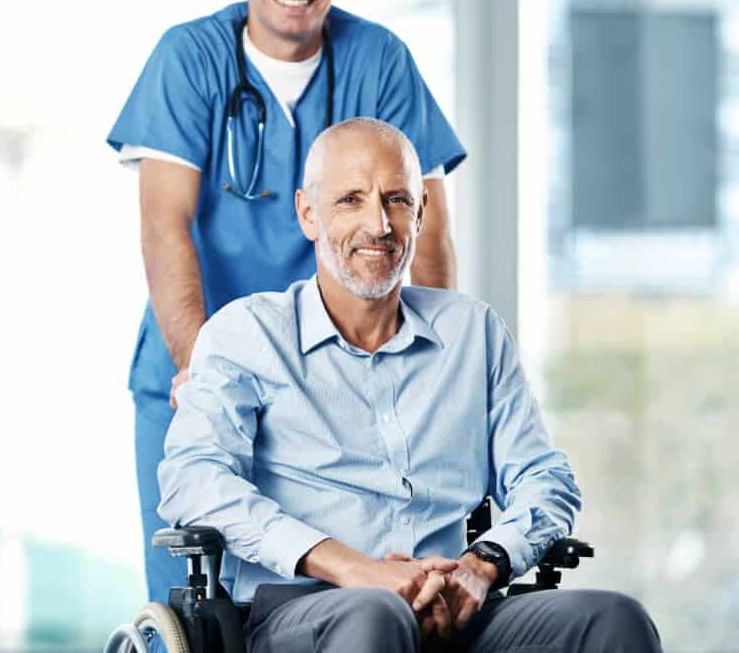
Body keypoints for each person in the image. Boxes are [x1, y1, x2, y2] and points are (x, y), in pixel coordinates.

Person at [158, 118, 663, 653]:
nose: (378, 224)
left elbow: (545, 477)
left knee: (613, 619)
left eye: (396, 199)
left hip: (455, 602)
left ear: (421, 211)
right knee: (376, 614)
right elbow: (194, 481)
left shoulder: (473, 332)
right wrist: (357, 571)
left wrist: (485, 563)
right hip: (308, 610)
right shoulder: (246, 334)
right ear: (308, 213)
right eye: (350, 199)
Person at [106, 0, 466, 603]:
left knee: (348, 596)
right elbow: (164, 225)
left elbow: (422, 224)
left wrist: (426, 368)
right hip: (197, 361)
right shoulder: (191, 60)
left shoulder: (378, 60)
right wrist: (202, 373)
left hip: (334, 378)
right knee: (202, 601)